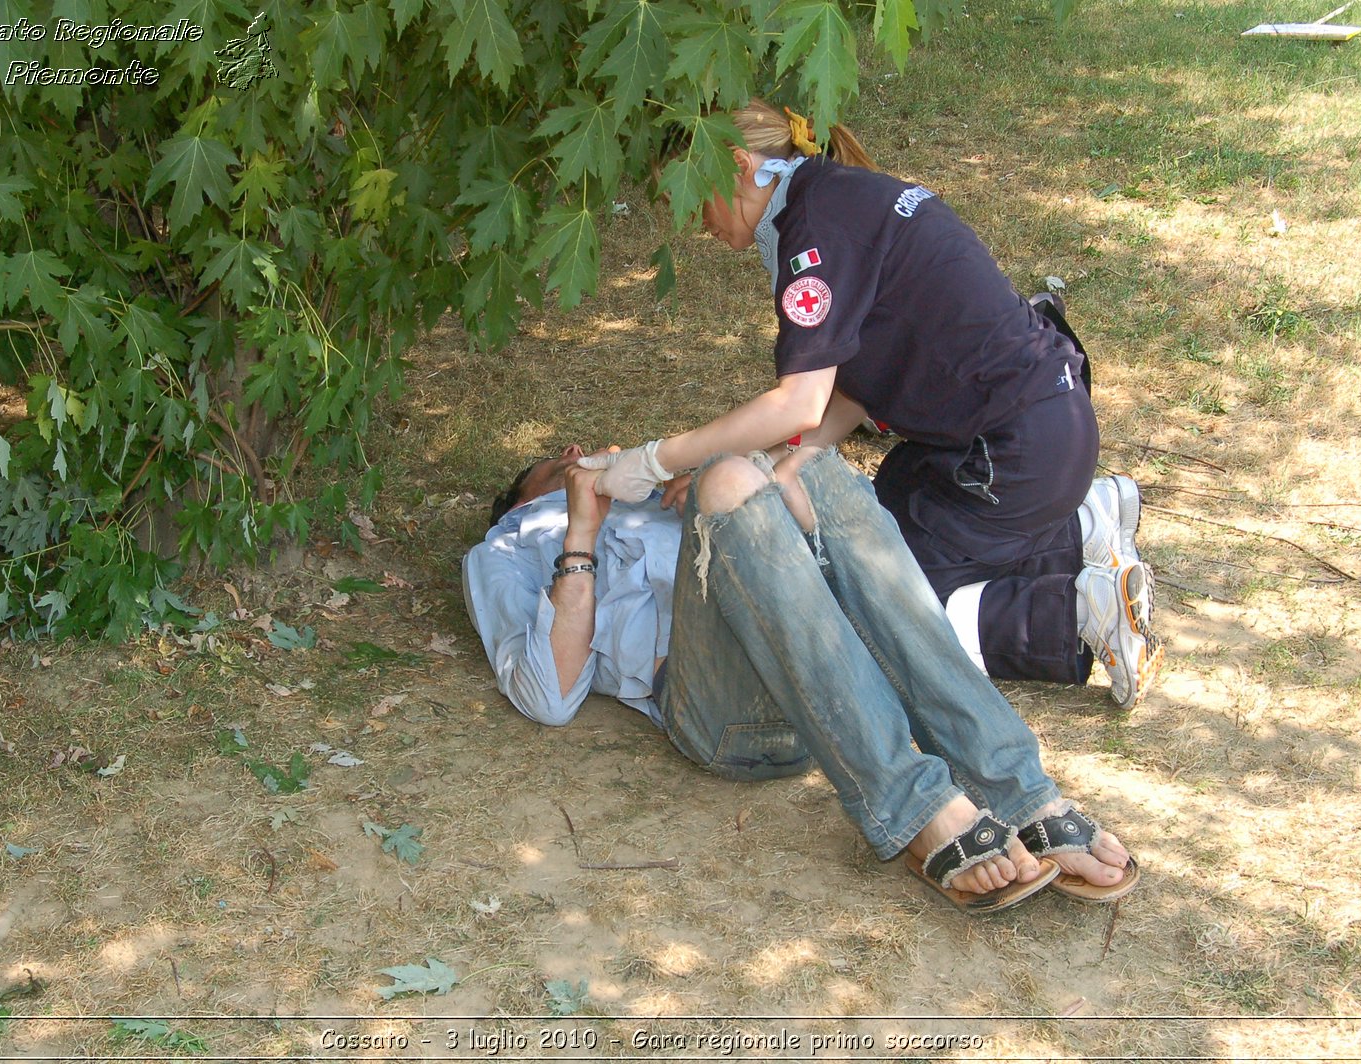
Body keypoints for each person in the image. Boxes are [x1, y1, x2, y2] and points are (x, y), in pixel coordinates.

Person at [580, 100, 1163, 709]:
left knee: (873, 615)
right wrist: (759, 470)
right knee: (871, 525)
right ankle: (1082, 519)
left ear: (735, 164)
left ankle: (1076, 612)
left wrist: (653, 459)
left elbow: (800, 403)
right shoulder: (832, 199)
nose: (688, 218)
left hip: (1010, 454)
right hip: (1035, 425)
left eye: (687, 193)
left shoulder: (813, 237)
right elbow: (847, 396)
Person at [464, 443, 1139, 911]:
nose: (585, 454)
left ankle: (1020, 792)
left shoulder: (656, 501)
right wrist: (580, 530)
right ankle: (917, 808)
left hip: (831, 687)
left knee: (795, 462)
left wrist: (706, 482)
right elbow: (549, 697)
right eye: (562, 459)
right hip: (728, 718)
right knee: (731, 482)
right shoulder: (510, 546)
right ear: (527, 493)